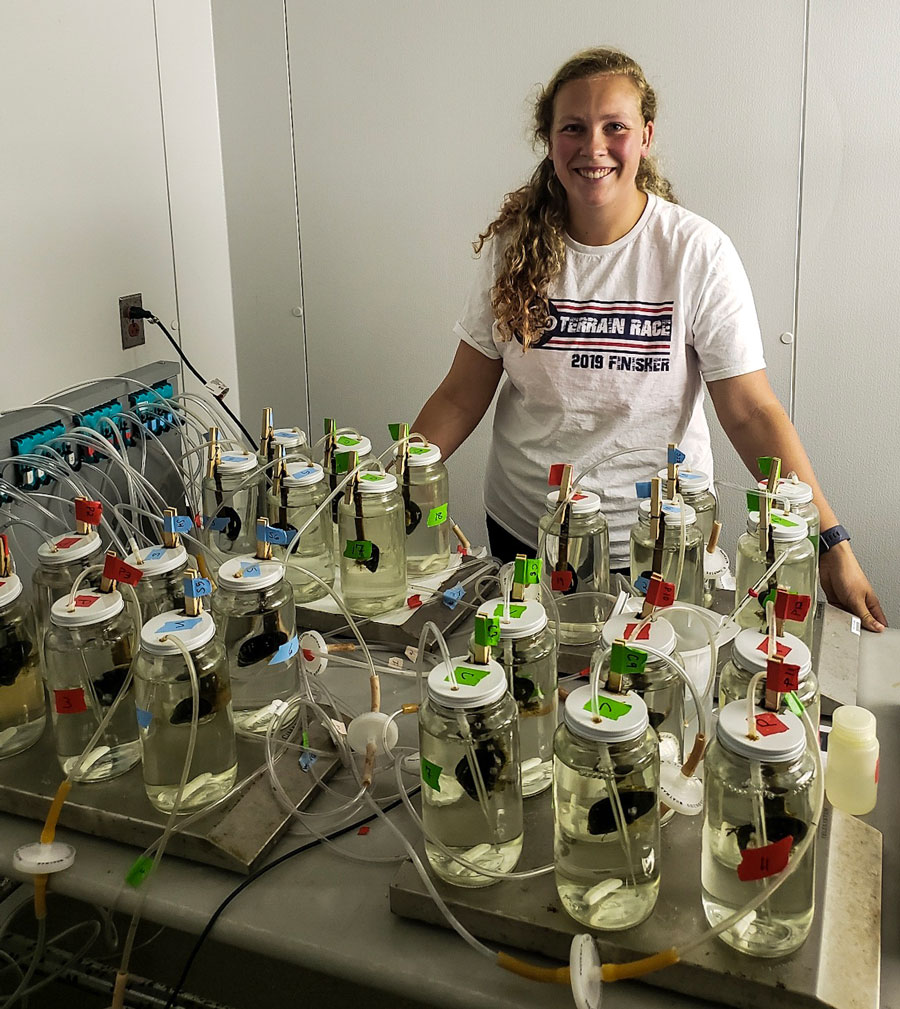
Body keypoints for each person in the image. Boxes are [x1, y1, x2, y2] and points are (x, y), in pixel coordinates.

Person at [413, 47, 886, 632]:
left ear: (645, 136)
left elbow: (751, 412)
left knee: (653, 700)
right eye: (573, 128)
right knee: (537, 690)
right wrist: (388, 485)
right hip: (526, 531)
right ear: (549, 139)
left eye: (615, 126)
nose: (594, 147)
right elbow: (462, 395)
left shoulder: (695, 252)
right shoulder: (515, 250)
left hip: (657, 543)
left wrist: (828, 540)